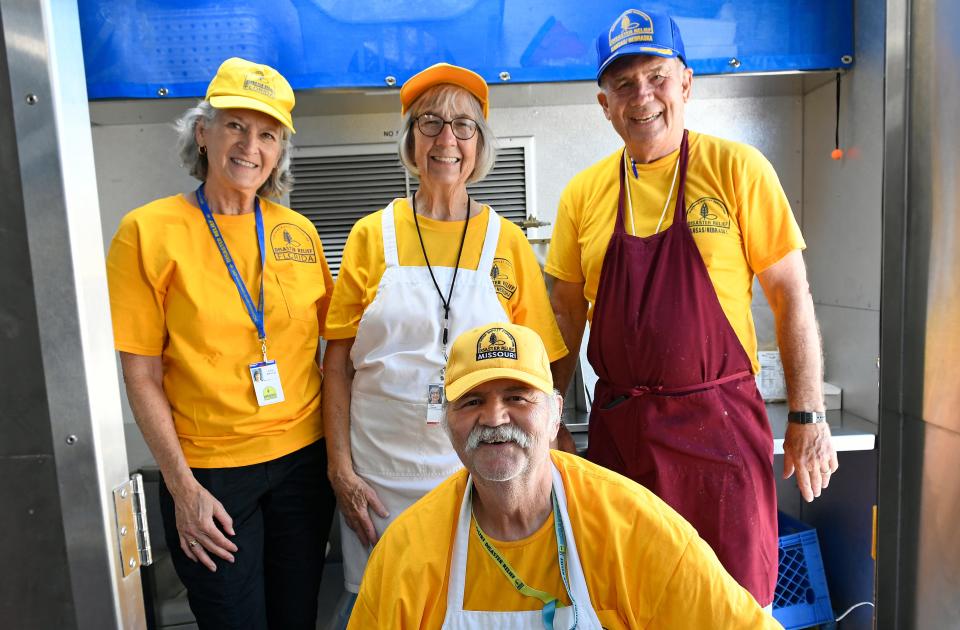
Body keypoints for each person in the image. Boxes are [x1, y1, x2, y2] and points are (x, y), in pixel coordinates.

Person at [545, 8, 839, 608]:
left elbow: (791, 294)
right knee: (626, 601)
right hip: (622, 436)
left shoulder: (737, 170)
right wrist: (548, 420)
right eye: (624, 85)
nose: (642, 97)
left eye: (656, 77)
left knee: (731, 605)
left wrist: (808, 417)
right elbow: (564, 318)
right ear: (605, 105)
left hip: (721, 433)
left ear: (685, 84)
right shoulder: (583, 194)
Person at [322, 62, 567, 604]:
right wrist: (340, 470)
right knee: (391, 603)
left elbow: (543, 368)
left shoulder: (506, 242)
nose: (446, 138)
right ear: (411, 139)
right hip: (377, 477)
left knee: (474, 600)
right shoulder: (371, 236)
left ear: (480, 144)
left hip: (483, 474)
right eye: (430, 122)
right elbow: (336, 363)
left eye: (464, 125)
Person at [349, 322, 781, 629]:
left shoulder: (633, 527)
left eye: (517, 396)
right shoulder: (408, 551)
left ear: (555, 414)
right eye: (471, 402)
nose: (494, 417)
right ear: (447, 423)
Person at [106, 58, 336, 629]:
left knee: (296, 616)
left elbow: (334, 354)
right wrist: (182, 489)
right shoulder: (147, 232)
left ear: (280, 150)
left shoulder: (298, 231)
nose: (249, 146)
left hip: (302, 465)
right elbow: (141, 375)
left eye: (267, 134)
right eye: (234, 125)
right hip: (209, 475)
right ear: (202, 132)